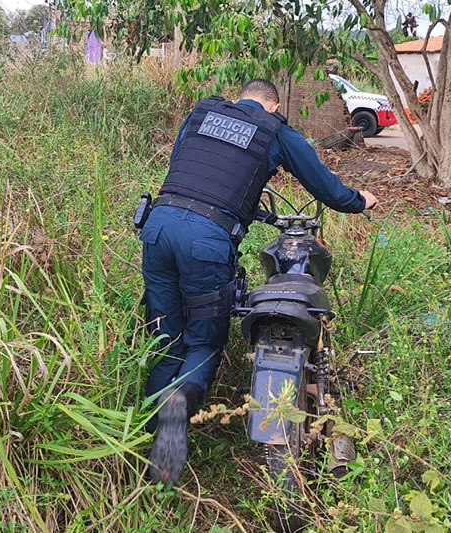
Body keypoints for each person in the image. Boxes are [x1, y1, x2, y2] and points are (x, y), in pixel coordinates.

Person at [139, 79, 378, 485]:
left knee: (165, 337)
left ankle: (146, 441)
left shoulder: (202, 112)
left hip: (158, 227)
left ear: (241, 97)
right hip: (205, 241)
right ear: (274, 106)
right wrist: (360, 200)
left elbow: (184, 168)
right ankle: (179, 404)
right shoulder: (274, 130)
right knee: (203, 342)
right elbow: (325, 186)